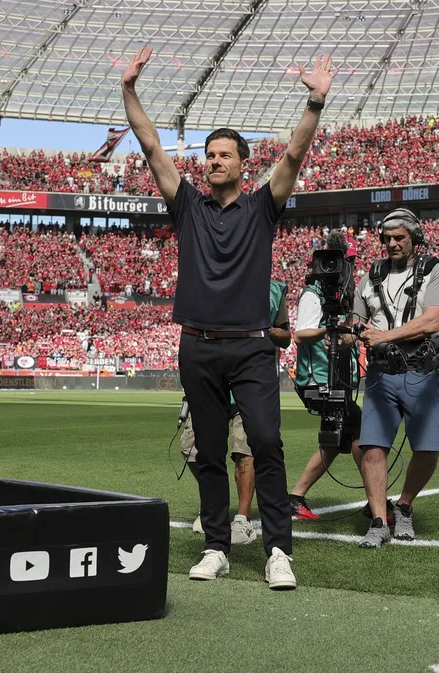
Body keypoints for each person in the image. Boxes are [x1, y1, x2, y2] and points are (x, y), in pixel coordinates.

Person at [122, 45, 337, 589]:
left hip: (250, 347)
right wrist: (129, 89)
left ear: (243, 164)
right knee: (209, 452)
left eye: (224, 155)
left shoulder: (263, 205)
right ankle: (216, 544)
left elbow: (292, 157)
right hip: (196, 344)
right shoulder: (187, 205)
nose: (213, 161)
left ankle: (277, 550)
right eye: (209, 155)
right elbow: (150, 146)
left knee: (266, 441)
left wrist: (314, 102)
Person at [353, 208, 439, 549]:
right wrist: (350, 332)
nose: (393, 244)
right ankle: (380, 521)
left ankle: (405, 504)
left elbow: (432, 322)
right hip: (381, 374)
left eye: (400, 238)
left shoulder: (435, 271)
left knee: (428, 449)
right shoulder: (371, 275)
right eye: (388, 238)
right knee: (373, 448)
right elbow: (357, 317)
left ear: (415, 238)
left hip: (421, 372)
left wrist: (385, 335)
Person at [182, 279, 292, 543]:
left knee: (246, 452)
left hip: (251, 382)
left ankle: (242, 519)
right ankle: (215, 508)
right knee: (191, 449)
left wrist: (263, 331)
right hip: (213, 382)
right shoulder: (214, 280)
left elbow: (286, 336)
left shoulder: (276, 288)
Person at [288, 236, 365, 521]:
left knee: (333, 442)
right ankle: (375, 500)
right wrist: (329, 330)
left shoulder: (338, 295)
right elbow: (300, 334)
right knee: (362, 433)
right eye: (349, 262)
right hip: (319, 380)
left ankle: (295, 498)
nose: (351, 268)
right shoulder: (314, 293)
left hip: (335, 379)